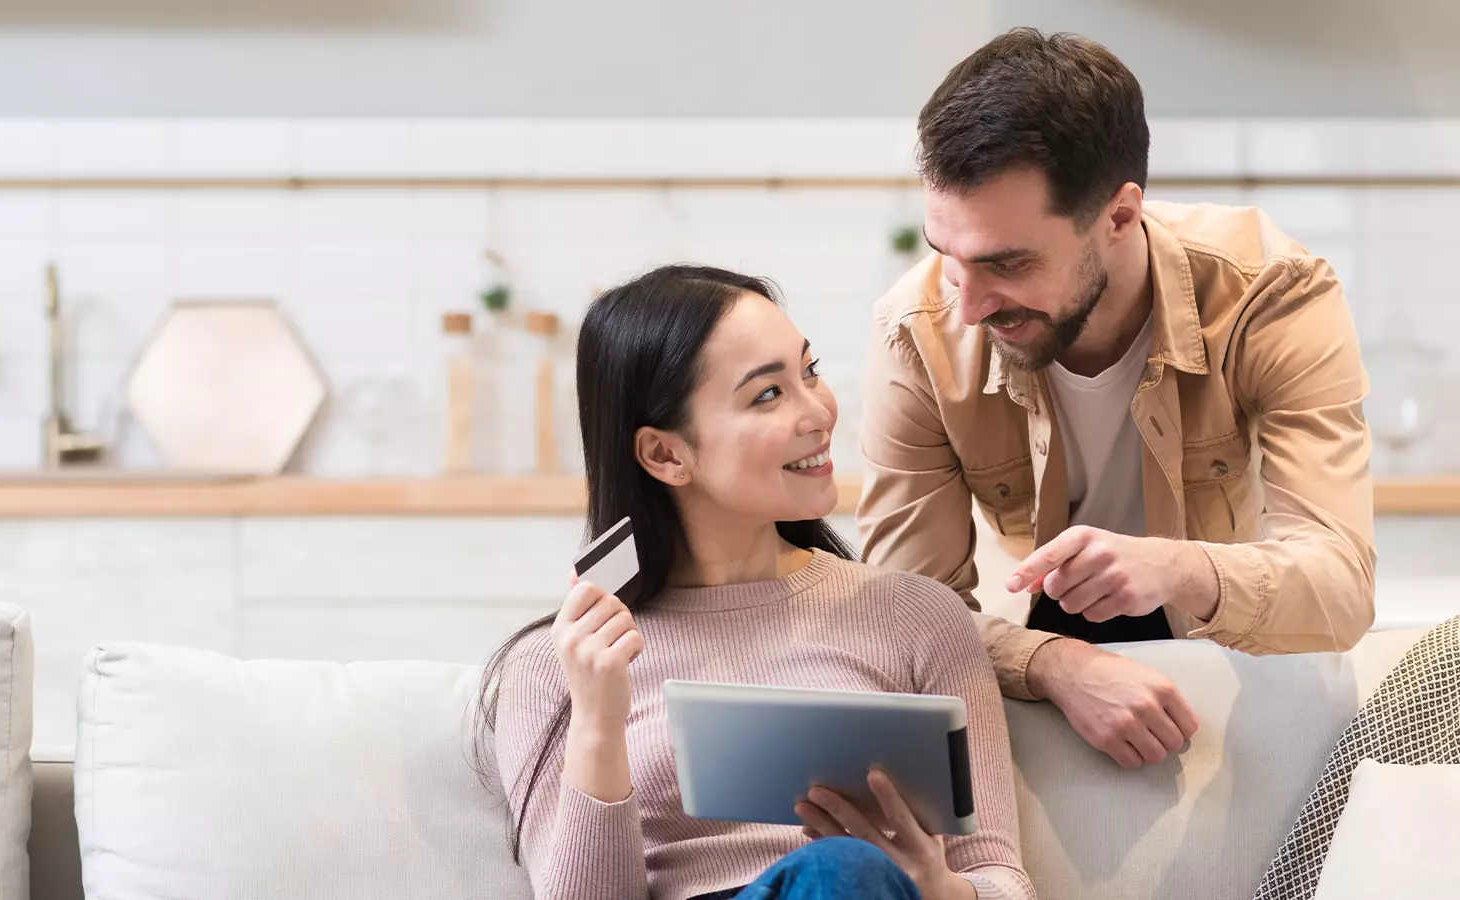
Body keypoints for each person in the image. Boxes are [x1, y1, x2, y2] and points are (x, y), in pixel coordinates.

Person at [857, 28, 1376, 770]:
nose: (967, 306)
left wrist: (1177, 569)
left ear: (1122, 215)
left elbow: (1339, 589)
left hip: (1230, 641)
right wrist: (1055, 664)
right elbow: (902, 614)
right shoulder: (916, 330)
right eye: (948, 257)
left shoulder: (1272, 292)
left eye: (1006, 263)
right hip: (1038, 646)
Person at [477, 266, 1035, 900]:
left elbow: (1001, 881)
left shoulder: (918, 618)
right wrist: (599, 723)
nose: (820, 411)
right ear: (666, 454)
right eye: (767, 395)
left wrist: (935, 887)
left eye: (809, 371)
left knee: (844, 873)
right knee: (840, 871)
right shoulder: (556, 667)